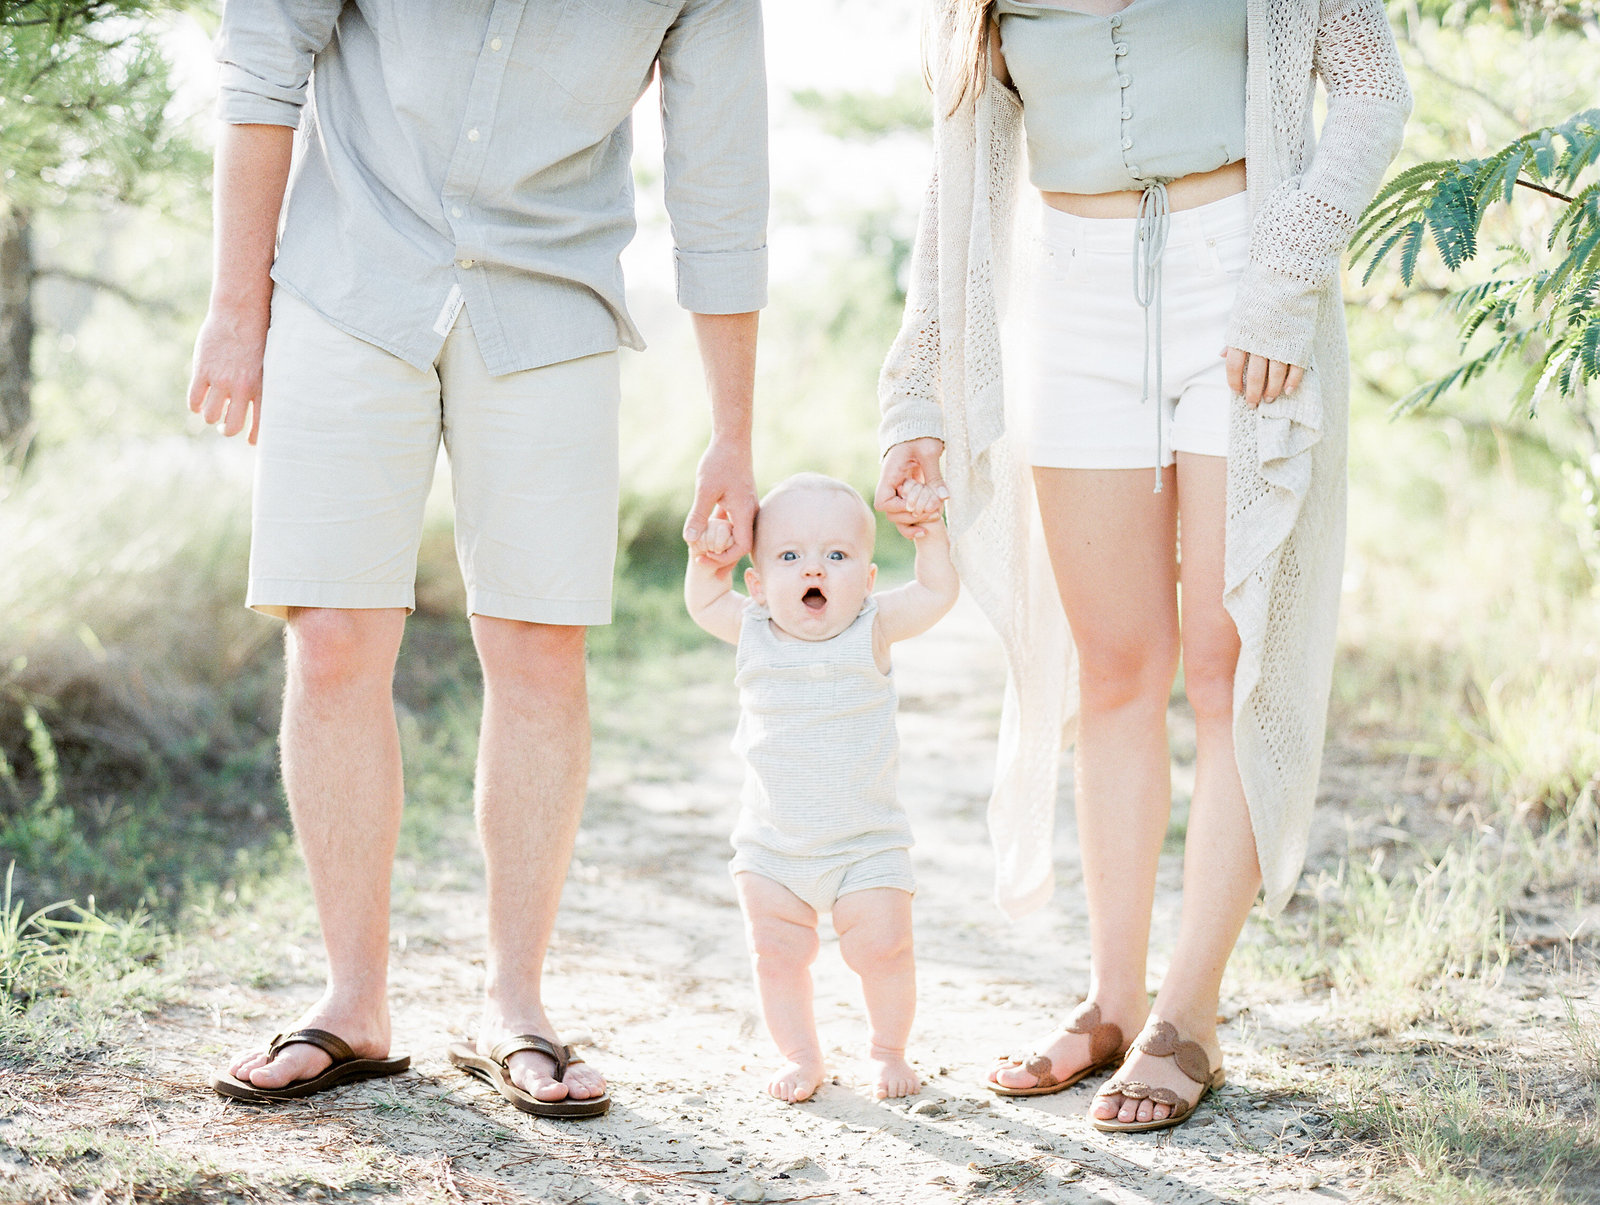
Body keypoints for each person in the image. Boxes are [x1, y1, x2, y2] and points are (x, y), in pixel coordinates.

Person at [189, 0, 768, 1117]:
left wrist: (731, 433)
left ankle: (516, 1002)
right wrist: (233, 304)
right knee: (333, 632)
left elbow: (721, 186)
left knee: (541, 646)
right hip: (346, 277)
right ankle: (353, 1000)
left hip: (550, 304)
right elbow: (263, 64)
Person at [875, 0, 1411, 1132]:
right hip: (1069, 294)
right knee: (1115, 667)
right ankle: (1111, 1000)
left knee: (1227, 664)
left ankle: (1188, 1013)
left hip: (1241, 268)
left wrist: (1288, 271)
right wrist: (917, 383)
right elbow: (955, 178)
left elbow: (1370, 88)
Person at [685, 474, 958, 1102]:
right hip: (773, 850)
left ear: (866, 579)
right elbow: (704, 603)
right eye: (789, 556)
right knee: (776, 955)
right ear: (757, 584)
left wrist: (928, 536)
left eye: (837, 555)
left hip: (866, 845)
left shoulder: (873, 625)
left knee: (885, 949)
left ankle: (887, 1049)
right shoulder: (751, 625)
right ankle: (801, 1055)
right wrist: (710, 558)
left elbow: (937, 591)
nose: (815, 568)